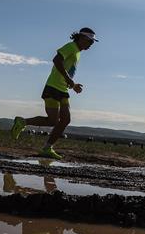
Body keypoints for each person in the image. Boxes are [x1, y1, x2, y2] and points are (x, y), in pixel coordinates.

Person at [11, 28, 98, 159]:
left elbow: (67, 70)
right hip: (52, 87)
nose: (91, 44)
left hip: (63, 90)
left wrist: (72, 85)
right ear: (81, 38)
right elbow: (56, 60)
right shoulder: (71, 47)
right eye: (90, 41)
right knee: (53, 121)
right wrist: (69, 80)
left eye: (92, 42)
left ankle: (47, 148)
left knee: (65, 120)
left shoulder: (78, 52)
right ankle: (22, 122)